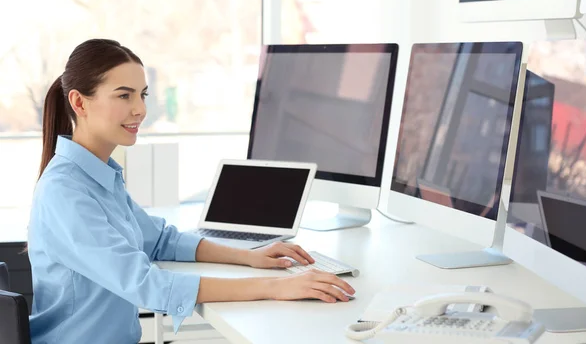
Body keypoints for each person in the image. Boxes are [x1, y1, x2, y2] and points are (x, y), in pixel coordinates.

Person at [27, 39, 355, 344]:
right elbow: (146, 285)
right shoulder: (66, 191)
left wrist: (249, 257)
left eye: (143, 95)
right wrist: (275, 287)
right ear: (79, 103)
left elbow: (159, 239)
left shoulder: (99, 175)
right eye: (124, 95)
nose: (140, 110)